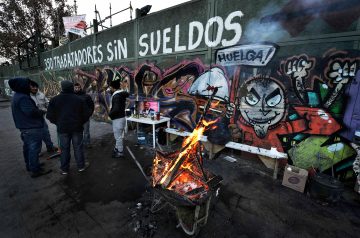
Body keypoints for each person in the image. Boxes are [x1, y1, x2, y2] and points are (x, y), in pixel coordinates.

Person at [8, 77, 52, 178]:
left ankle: (31, 165)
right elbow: (30, 112)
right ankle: (35, 170)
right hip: (31, 127)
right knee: (34, 149)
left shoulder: (17, 96)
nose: (30, 86)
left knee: (28, 148)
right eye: (28, 84)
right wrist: (42, 111)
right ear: (22, 85)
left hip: (25, 127)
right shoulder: (23, 97)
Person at [46, 80, 93, 175]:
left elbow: (50, 116)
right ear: (71, 88)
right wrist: (80, 122)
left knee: (64, 149)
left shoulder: (54, 100)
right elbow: (86, 114)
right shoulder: (79, 99)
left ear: (62, 88)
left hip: (63, 129)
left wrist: (58, 123)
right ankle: (81, 166)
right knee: (78, 148)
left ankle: (64, 169)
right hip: (77, 128)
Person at [29, 80, 58, 153]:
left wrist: (51, 110)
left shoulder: (41, 94)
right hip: (32, 120)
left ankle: (50, 147)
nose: (35, 88)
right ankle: (36, 152)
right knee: (36, 136)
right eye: (33, 87)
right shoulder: (27, 97)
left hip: (41, 118)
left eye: (36, 86)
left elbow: (48, 104)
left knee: (46, 132)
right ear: (29, 87)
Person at [108, 80, 129, 158]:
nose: (110, 89)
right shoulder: (121, 94)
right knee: (119, 135)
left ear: (113, 87)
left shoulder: (116, 96)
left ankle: (120, 152)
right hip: (121, 117)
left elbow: (116, 109)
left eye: (110, 87)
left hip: (118, 119)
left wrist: (110, 115)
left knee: (118, 136)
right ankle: (117, 148)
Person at [74, 83, 95, 148]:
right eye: (76, 87)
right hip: (76, 118)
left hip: (85, 117)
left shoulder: (86, 96)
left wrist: (89, 113)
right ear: (74, 88)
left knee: (86, 132)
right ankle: (79, 144)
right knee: (78, 132)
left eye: (78, 87)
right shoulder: (72, 96)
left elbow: (91, 105)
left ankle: (87, 143)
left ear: (80, 88)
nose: (77, 89)